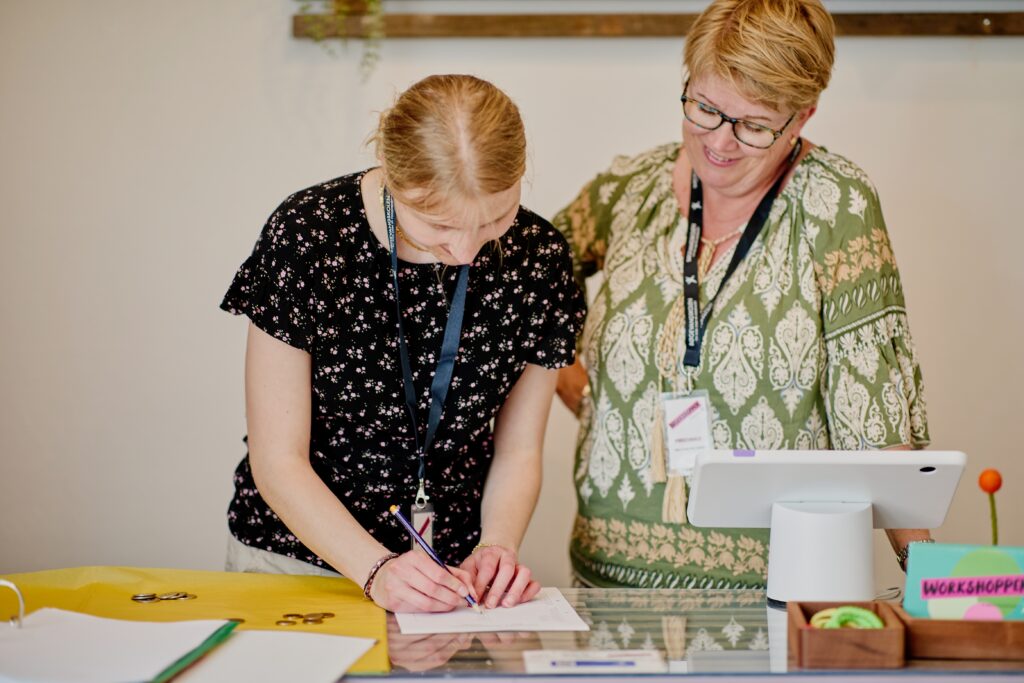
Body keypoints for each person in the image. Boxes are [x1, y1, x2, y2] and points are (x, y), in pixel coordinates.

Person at [553, 0, 931, 590]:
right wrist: (583, 391)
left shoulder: (836, 205)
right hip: (610, 583)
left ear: (802, 117)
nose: (721, 143)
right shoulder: (631, 190)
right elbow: (520, 289)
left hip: (783, 589)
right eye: (705, 109)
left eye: (754, 125)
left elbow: (873, 413)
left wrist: (932, 574)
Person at [221, 74, 586, 612]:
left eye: (493, 219)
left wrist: (497, 545)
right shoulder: (309, 235)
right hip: (296, 561)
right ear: (392, 178)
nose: (465, 251)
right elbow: (278, 459)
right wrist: (375, 571)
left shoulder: (539, 258)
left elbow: (518, 448)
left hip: (451, 571)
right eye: (436, 224)